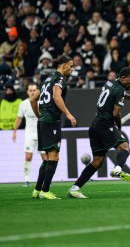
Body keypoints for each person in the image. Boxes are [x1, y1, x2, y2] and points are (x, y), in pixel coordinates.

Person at [67, 68, 130, 199]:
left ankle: (74, 188)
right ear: (123, 78)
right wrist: (119, 127)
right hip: (105, 125)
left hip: (95, 124)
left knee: (97, 162)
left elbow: (118, 94)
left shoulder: (110, 83)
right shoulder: (120, 90)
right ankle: (117, 169)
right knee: (125, 148)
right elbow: (116, 113)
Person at [30, 55, 77, 200]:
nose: (72, 68)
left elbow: (32, 99)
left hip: (43, 121)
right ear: (63, 65)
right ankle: (46, 190)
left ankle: (37, 190)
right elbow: (57, 96)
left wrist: (40, 115)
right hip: (52, 121)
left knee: (47, 158)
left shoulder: (47, 80)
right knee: (54, 157)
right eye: (70, 65)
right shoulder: (60, 79)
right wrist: (68, 114)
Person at [13, 84, 48, 187]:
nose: (32, 92)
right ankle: (27, 180)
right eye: (30, 90)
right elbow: (19, 118)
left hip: (41, 134)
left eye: (34, 90)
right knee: (28, 157)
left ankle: (46, 181)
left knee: (45, 158)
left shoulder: (42, 103)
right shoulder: (23, 104)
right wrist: (14, 131)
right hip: (29, 134)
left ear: (37, 91)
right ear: (27, 92)